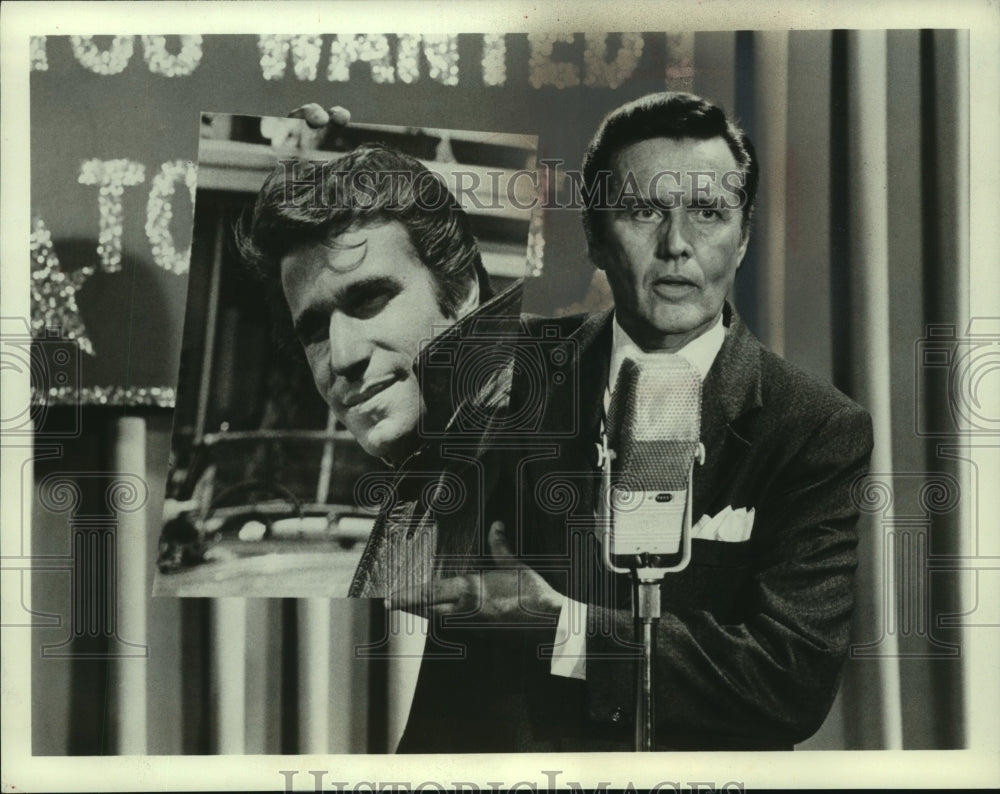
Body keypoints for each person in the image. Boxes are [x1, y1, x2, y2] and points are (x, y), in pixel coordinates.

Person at [388, 91, 875, 752]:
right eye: (643, 211)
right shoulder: (497, 365)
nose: (677, 246)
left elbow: (788, 681)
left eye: (708, 213)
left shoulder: (814, 428)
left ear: (745, 237)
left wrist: (564, 627)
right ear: (593, 232)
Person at [237, 137, 524, 597]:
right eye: (312, 331)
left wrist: (569, 632)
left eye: (369, 298)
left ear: (462, 288)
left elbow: (672, 639)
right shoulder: (435, 462)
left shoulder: (535, 441)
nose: (343, 356)